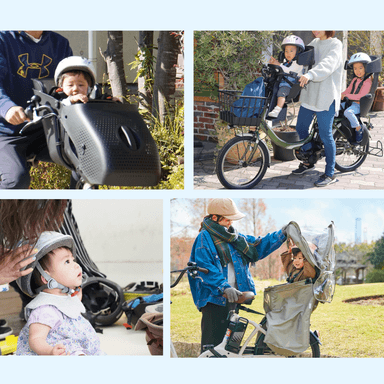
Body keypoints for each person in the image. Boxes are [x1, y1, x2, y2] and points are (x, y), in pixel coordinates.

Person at [188, 198, 289, 352]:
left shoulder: (234, 237)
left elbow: (258, 245)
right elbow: (205, 267)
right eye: (227, 219)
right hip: (214, 301)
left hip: (233, 298)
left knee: (229, 349)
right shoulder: (204, 238)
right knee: (212, 350)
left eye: (231, 220)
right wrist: (224, 287)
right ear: (214, 218)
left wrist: (282, 234)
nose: (230, 223)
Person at [0, 31, 73, 189]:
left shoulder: (60, 44)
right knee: (16, 180)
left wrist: (94, 98)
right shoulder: (3, 39)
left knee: (85, 157)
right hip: (6, 132)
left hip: (46, 130)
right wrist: (6, 108)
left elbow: (72, 84)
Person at [16, 231, 103, 355]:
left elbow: (68, 309)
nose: (76, 265)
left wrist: (76, 297)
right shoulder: (44, 310)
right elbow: (35, 339)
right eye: (67, 262)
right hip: (62, 353)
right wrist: (50, 351)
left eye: (73, 260)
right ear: (46, 278)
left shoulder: (63, 298)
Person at [292, 31, 343, 187]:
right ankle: (309, 160)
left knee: (325, 135)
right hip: (310, 94)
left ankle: (330, 173)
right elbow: (301, 60)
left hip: (326, 96)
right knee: (300, 128)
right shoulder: (314, 42)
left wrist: (311, 74)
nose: (315, 29)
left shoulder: (336, 44)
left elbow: (328, 64)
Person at [268, 35, 305, 118]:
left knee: (282, 93)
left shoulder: (298, 64)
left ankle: (277, 109)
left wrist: (279, 65)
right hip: (281, 82)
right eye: (286, 51)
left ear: (298, 52)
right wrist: (274, 65)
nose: (288, 53)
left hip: (290, 84)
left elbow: (289, 71)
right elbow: (281, 69)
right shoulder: (285, 62)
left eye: (291, 51)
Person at [341, 52, 372, 143]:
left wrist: (347, 96)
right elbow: (348, 90)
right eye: (355, 68)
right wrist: (340, 95)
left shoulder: (367, 82)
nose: (357, 71)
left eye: (360, 68)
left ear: (366, 68)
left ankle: (358, 129)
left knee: (348, 112)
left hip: (359, 105)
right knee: (335, 108)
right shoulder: (355, 80)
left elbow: (361, 96)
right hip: (351, 103)